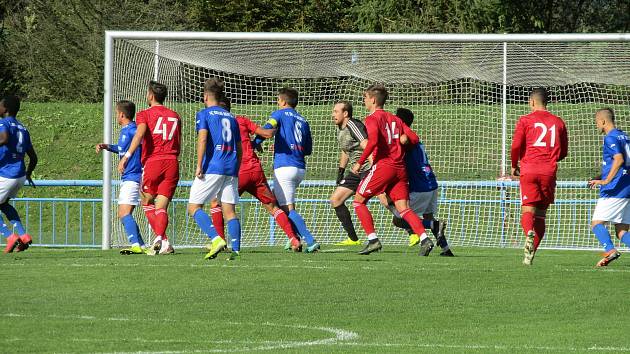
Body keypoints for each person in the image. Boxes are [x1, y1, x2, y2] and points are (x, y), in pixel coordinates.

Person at [208, 97, 302, 252]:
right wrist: (274, 133)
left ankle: (220, 241)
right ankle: (293, 239)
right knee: (272, 207)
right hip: (255, 170)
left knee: (216, 203)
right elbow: (266, 133)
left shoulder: (216, 123)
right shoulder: (242, 120)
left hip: (238, 172)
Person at [351, 84, 433, 255]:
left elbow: (372, 142)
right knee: (404, 209)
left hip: (384, 166)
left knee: (358, 201)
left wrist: (359, 163)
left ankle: (373, 240)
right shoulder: (395, 119)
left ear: (373, 100)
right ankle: (425, 239)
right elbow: (414, 138)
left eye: (365, 98)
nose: (364, 101)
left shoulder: (372, 118)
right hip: (400, 169)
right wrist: (403, 139)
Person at [254, 87, 320, 253]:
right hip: (299, 168)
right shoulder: (303, 121)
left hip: (285, 167)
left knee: (287, 209)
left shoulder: (279, 114)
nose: (277, 103)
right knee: (275, 202)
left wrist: (253, 144)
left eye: (278, 100)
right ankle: (294, 237)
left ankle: (310, 241)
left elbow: (267, 129)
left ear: (283, 101)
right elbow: (308, 150)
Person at [119, 81, 181, 255]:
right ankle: (163, 241)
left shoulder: (144, 114)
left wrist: (127, 156)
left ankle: (162, 240)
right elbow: (178, 140)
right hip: (172, 161)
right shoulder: (175, 115)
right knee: (161, 207)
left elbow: (139, 134)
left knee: (147, 201)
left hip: (154, 162)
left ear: (151, 95)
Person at [380, 108, 453, 256]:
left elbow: (402, 143)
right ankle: (446, 249)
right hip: (431, 184)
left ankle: (433, 226)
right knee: (428, 215)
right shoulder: (417, 141)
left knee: (399, 219)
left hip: (419, 186)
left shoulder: (404, 139)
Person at [511, 87, 568, 265]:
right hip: (548, 171)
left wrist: (514, 165)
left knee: (528, 210)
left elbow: (516, 146)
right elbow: (563, 152)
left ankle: (528, 232)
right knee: (541, 215)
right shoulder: (558, 122)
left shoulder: (525, 120)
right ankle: (530, 255)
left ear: (532, 102)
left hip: (529, 169)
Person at [188, 78, 243, 261]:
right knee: (229, 210)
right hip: (231, 166)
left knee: (193, 206)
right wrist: (237, 165)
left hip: (213, 166)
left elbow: (202, 139)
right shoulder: (231, 117)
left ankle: (216, 238)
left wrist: (199, 165)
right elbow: (239, 146)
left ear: (205, 97)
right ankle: (235, 250)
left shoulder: (204, 114)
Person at [96, 100, 145, 254]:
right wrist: (107, 147)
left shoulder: (133, 130)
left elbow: (140, 145)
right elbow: (123, 149)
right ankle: (141, 245)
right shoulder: (126, 130)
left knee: (123, 213)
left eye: (117, 113)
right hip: (129, 177)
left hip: (133, 176)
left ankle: (135, 245)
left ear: (122, 114)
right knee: (126, 213)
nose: (116, 116)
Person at [588, 108, 630, 267]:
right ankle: (611, 249)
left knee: (596, 224)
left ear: (603, 121)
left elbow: (618, 160)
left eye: (597, 122)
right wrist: (600, 177)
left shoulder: (610, 137)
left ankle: (610, 250)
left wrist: (605, 181)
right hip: (627, 187)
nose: (597, 125)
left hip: (614, 189)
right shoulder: (624, 136)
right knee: (622, 232)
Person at [0, 95, 37, 253]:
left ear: (5, 109)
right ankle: (23, 235)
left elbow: (4, 138)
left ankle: (9, 236)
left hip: (6, 174)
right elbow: (34, 157)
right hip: (20, 175)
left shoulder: (3, 123)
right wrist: (28, 174)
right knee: (3, 205)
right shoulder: (23, 128)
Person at [330, 100, 368, 246]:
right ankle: (353, 239)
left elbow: (367, 144)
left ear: (345, 113)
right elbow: (346, 150)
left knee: (385, 201)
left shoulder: (354, 125)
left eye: (336, 111)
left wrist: (372, 166)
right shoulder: (340, 128)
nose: (333, 114)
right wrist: (341, 171)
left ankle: (413, 233)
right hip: (356, 171)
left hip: (369, 169)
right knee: (336, 200)